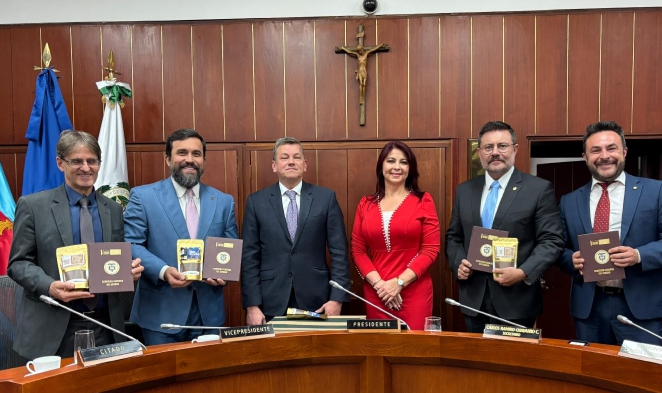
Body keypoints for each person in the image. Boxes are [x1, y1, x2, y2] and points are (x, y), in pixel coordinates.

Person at [8, 130, 144, 360]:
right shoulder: (33, 206)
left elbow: (113, 259)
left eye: (92, 161)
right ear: (60, 163)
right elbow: (18, 263)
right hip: (51, 328)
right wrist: (50, 287)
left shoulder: (113, 209)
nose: (86, 168)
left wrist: (127, 272)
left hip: (105, 327)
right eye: (77, 161)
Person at [557, 121, 662, 345]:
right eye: (595, 150)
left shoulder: (655, 191)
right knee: (593, 375)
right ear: (585, 156)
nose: (604, 156)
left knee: (641, 375)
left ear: (624, 152)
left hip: (640, 305)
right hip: (590, 307)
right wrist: (570, 260)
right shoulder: (569, 201)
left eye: (611, 148)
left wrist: (638, 255)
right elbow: (558, 248)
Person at [446, 121, 564, 331]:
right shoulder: (465, 190)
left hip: (517, 300)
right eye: (488, 148)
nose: (495, 153)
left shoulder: (538, 189)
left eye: (502, 146)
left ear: (515, 149)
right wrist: (458, 263)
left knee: (513, 363)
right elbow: (454, 237)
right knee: (476, 362)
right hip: (473, 299)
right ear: (480, 152)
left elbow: (552, 240)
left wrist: (523, 272)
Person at [124, 128, 238, 345]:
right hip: (160, 314)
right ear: (168, 159)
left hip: (208, 316)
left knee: (207, 378)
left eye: (196, 154)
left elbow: (229, 247)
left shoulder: (223, 201)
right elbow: (132, 243)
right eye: (182, 153)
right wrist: (164, 271)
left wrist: (223, 275)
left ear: (204, 159)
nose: (189, 160)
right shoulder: (143, 196)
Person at [241, 137, 350, 324]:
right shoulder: (256, 202)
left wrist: (337, 298)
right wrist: (252, 305)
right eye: (284, 157)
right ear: (274, 165)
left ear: (305, 164)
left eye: (296, 157)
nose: (291, 161)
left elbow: (339, 251)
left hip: (317, 300)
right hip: (270, 301)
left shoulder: (325, 198)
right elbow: (249, 256)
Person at [351, 141, 440, 330]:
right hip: (377, 292)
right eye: (391, 161)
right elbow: (358, 250)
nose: (397, 167)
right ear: (381, 166)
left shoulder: (423, 201)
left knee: (413, 351)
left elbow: (431, 250)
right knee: (380, 350)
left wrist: (399, 283)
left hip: (413, 291)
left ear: (410, 168)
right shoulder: (365, 204)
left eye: (404, 162)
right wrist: (381, 286)